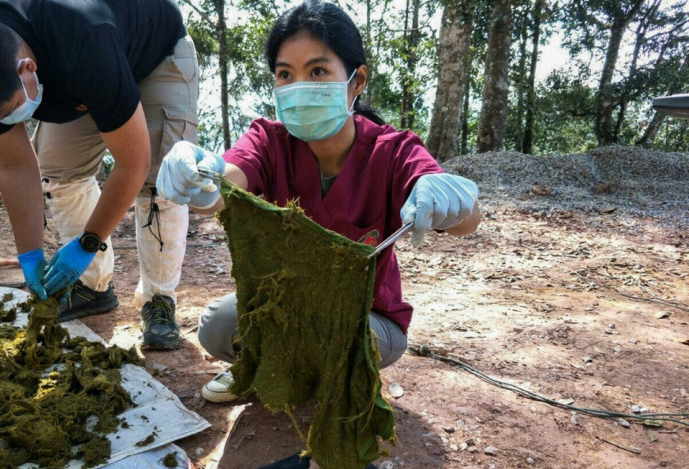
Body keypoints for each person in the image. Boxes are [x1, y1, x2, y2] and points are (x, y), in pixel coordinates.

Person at [156, 0, 481, 401]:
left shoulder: (394, 151)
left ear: (357, 80)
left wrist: (456, 202)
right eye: (285, 74)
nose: (299, 87)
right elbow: (224, 185)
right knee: (219, 325)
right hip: (284, 307)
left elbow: (465, 219)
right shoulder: (268, 141)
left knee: (339, 337)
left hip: (366, 320)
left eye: (317, 71)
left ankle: (299, 371)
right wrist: (198, 177)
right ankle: (282, 370)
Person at [0, 0, 199, 349]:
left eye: (11, 112)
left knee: (160, 181)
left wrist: (87, 242)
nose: (11, 123)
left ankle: (159, 300)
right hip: (85, 77)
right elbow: (15, 166)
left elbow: (133, 163)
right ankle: (91, 286)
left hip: (153, 54)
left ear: (27, 68)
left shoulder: (84, 39)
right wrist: (30, 255)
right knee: (59, 170)